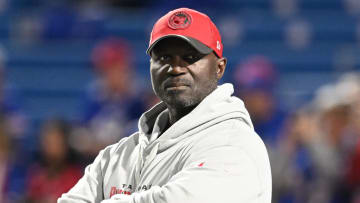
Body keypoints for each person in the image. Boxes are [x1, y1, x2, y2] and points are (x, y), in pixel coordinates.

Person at [58, 8, 272, 203]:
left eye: (190, 57)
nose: (175, 68)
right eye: (164, 57)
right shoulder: (119, 155)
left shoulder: (235, 145)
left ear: (219, 67)